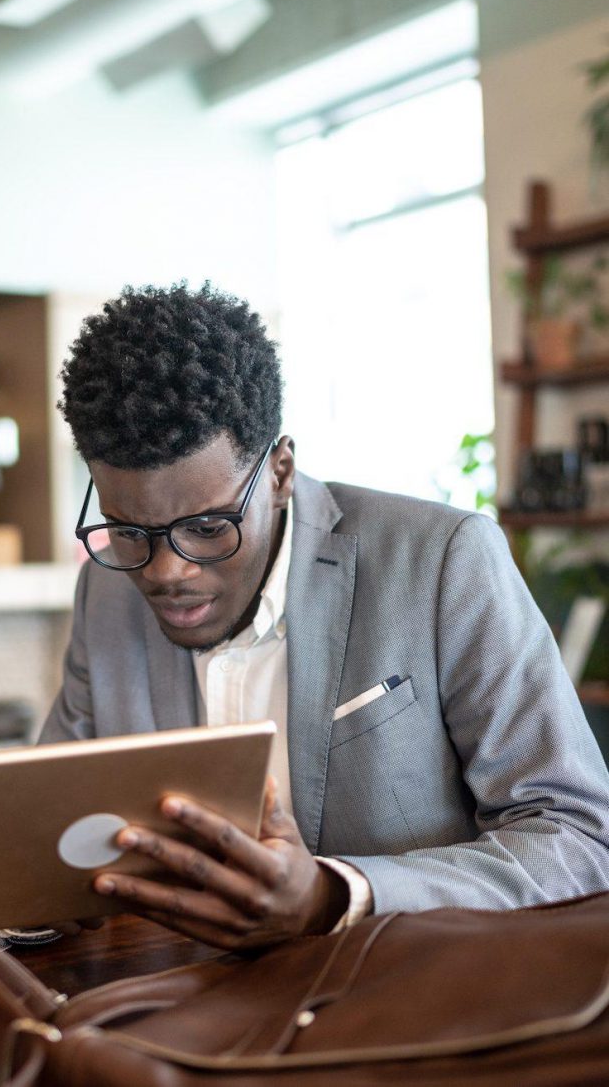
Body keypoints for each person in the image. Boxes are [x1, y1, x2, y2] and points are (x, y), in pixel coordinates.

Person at [41, 283, 609, 950]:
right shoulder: (105, 591)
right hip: (179, 993)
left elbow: (579, 840)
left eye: (208, 527)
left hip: (402, 983)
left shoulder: (441, 560)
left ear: (280, 473)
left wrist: (333, 895)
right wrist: (28, 887)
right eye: (130, 531)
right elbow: (49, 828)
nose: (167, 572)